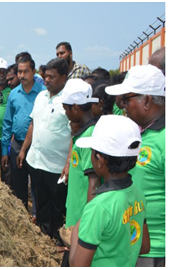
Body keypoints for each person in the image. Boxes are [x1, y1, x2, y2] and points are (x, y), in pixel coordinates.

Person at [69, 115, 150, 267]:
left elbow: (77, 265)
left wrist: (76, 231)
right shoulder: (138, 194)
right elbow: (144, 246)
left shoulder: (98, 207)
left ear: (99, 160)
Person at [106, 65, 165, 267]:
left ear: (147, 100)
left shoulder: (165, 139)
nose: (122, 106)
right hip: (135, 244)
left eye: (126, 99)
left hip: (157, 251)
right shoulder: (142, 133)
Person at [17, 58, 70, 244]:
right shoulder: (41, 96)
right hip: (36, 161)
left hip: (57, 167)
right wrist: (24, 150)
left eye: (52, 77)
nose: (46, 80)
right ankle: (44, 238)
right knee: (41, 203)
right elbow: (33, 124)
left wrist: (68, 162)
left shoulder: (69, 100)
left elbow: (74, 134)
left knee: (58, 206)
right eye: (46, 76)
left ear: (63, 78)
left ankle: (57, 240)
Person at [59, 79, 102, 265]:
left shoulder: (90, 137)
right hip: (76, 215)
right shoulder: (80, 133)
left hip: (83, 222)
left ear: (75, 108)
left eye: (66, 108)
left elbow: (94, 184)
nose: (65, 113)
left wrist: (84, 224)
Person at [1, 55, 45, 211]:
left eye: (26, 72)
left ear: (33, 71)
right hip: (17, 145)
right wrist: (4, 150)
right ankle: (23, 215)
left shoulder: (43, 93)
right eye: (19, 72)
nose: (21, 76)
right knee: (19, 185)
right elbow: (7, 122)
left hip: (37, 146)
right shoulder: (13, 94)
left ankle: (37, 215)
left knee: (38, 184)